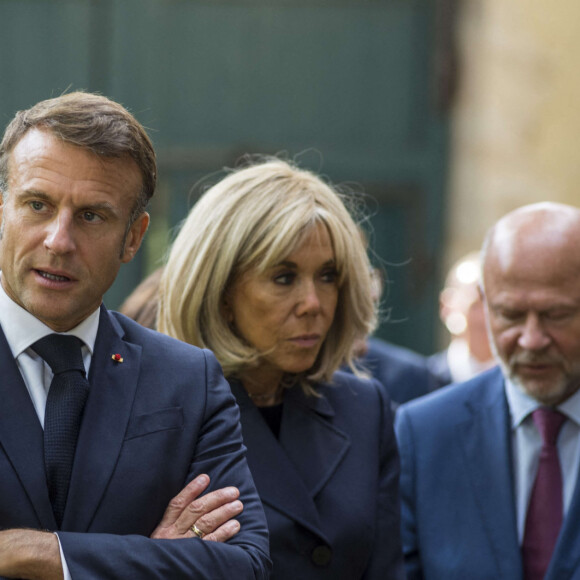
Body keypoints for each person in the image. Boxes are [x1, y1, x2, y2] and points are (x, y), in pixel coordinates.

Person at [0, 92, 270, 579]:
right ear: (2, 211)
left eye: (91, 216)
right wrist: (148, 559)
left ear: (133, 237)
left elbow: (243, 566)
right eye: (37, 205)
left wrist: (34, 554)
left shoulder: (188, 381)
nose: (58, 241)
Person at [158, 158, 405, 579]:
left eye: (327, 275)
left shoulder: (364, 406)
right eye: (284, 278)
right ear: (221, 293)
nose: (313, 303)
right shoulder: (159, 412)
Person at [396, 202, 580, 580]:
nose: (531, 339)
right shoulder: (424, 434)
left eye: (556, 314)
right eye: (510, 315)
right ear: (484, 298)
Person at [427, 251, 495, 388]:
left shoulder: (518, 385)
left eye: (494, 305)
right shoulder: (423, 379)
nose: (486, 315)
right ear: (446, 306)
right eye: (476, 304)